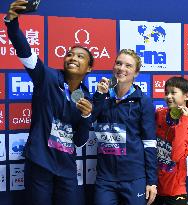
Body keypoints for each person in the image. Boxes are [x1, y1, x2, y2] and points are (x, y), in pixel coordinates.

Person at [5, 1, 93, 205]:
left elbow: (79, 141)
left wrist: (87, 117)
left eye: (80, 56)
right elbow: (24, 51)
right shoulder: (47, 77)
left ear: (88, 69)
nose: (73, 57)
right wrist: (12, 22)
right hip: (40, 162)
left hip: (66, 167)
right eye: (70, 54)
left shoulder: (84, 97)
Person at [92, 49, 157, 205]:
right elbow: (89, 120)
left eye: (128, 65)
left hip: (134, 177)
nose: (121, 68)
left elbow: (149, 143)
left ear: (136, 73)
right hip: (105, 177)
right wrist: (100, 96)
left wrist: (152, 181)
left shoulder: (143, 102)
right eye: (118, 63)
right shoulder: (103, 96)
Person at [153, 76, 188, 205]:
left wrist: (183, 121)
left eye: (173, 93)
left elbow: (176, 156)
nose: (168, 97)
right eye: (166, 93)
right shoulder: (160, 113)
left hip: (175, 191)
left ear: (186, 95)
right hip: (153, 186)